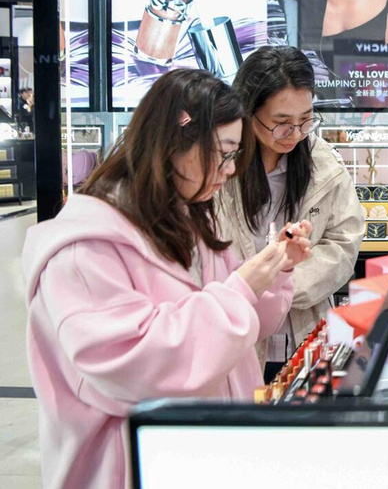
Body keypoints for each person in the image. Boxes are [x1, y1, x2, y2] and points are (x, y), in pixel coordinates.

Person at [22, 69, 313, 488]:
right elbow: (138, 364)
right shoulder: (85, 248)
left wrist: (275, 270)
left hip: (206, 453)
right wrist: (243, 288)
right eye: (223, 153)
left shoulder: (190, 217)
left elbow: (239, 330)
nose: (230, 170)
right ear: (174, 143)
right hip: (130, 464)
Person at [216, 45, 364, 380]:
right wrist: (249, 288)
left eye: (306, 120)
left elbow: (343, 242)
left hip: (305, 338)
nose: (295, 134)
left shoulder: (325, 165)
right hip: (233, 336)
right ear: (247, 111)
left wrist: (280, 286)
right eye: (281, 123)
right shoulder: (218, 166)